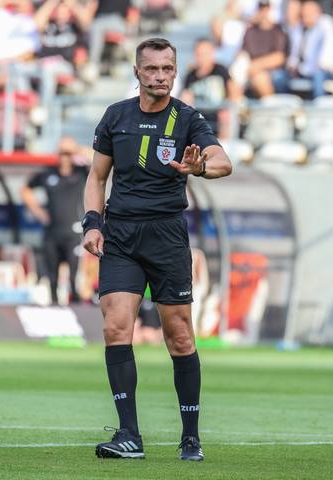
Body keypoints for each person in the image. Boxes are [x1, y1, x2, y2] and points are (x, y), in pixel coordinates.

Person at [82, 37, 232, 461]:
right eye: (152, 69)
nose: (160, 76)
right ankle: (129, 435)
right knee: (115, 326)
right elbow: (96, 177)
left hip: (166, 236)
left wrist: (200, 167)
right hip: (121, 235)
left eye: (167, 69)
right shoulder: (116, 116)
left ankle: (190, 437)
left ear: (175, 72)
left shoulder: (187, 118)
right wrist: (92, 224)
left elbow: (224, 162)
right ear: (137, 72)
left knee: (179, 335)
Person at [21, 136, 88, 304]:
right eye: (62, 153)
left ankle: (77, 306)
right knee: (52, 276)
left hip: (73, 233)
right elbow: (25, 189)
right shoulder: (48, 173)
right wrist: (39, 212)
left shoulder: (81, 173)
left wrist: (77, 149)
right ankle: (54, 305)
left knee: (73, 276)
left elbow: (102, 161)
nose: (65, 157)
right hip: (52, 232)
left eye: (68, 153)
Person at [181, 37, 241, 138]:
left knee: (225, 115)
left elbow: (233, 91)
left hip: (219, 113)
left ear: (212, 54)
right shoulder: (190, 75)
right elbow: (185, 98)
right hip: (199, 115)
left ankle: (223, 145)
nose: (202, 57)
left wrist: (227, 107)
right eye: (199, 54)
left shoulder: (220, 70)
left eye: (206, 54)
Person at [287, 0, 333, 97]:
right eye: (303, 14)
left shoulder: (326, 24)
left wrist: (314, 67)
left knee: (318, 75)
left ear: (318, 12)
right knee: (280, 77)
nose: (305, 17)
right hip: (304, 70)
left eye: (308, 13)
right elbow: (295, 52)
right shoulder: (299, 29)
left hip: (325, 70)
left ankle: (319, 104)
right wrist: (293, 65)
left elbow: (328, 54)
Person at [238, 0, 290, 98]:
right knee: (233, 82)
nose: (264, 12)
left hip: (272, 71)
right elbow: (243, 53)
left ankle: (270, 106)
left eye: (266, 9)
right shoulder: (250, 31)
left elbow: (279, 58)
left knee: (260, 78)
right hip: (251, 70)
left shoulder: (278, 30)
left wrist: (256, 66)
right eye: (261, 9)